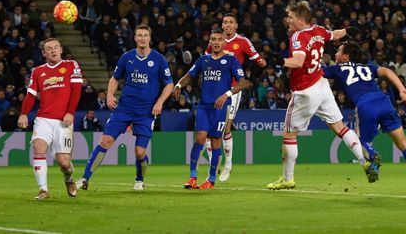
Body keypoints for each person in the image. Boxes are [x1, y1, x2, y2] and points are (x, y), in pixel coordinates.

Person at [267, 1, 366, 190]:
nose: (288, 20)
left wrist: (280, 60)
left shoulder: (298, 36)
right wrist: (350, 30)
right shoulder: (318, 30)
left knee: (289, 134)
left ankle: (288, 179)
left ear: (301, 19)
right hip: (321, 85)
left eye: (291, 17)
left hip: (305, 90)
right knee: (340, 127)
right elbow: (334, 34)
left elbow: (297, 62)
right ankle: (365, 160)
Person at [323, 42, 406, 193]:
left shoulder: (336, 69)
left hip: (365, 105)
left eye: (338, 51)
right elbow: (386, 71)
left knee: (360, 142)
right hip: (384, 102)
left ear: (346, 56)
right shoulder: (367, 67)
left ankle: (373, 156)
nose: (335, 54)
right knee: (404, 143)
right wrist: (402, 89)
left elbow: (314, 73)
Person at [76, 25, 174, 191]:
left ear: (150, 38)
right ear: (134, 38)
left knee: (139, 152)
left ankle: (139, 179)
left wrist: (160, 103)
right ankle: (85, 178)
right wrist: (109, 94)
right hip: (124, 109)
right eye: (139, 35)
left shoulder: (159, 60)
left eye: (145, 35)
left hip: (146, 112)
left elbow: (169, 84)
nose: (142, 38)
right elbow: (115, 79)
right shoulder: (126, 58)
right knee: (105, 141)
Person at [175, 29, 246, 189]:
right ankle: (192, 177)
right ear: (210, 42)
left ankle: (211, 179)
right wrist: (179, 84)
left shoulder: (231, 60)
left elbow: (242, 83)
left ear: (224, 42)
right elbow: (190, 75)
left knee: (215, 141)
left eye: (219, 39)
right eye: (213, 39)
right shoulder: (203, 60)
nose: (216, 42)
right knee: (200, 137)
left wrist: (226, 95)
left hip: (221, 107)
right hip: (204, 106)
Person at [203, 13, 267, 182]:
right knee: (211, 130)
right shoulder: (216, 41)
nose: (228, 25)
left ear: (236, 26)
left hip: (232, 89)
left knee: (225, 129)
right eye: (225, 22)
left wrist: (260, 63)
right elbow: (206, 60)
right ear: (222, 25)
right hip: (214, 89)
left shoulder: (243, 42)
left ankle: (228, 164)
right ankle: (213, 165)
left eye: (231, 22)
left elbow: (258, 59)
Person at [17, 38, 83, 200]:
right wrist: (24, 113)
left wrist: (70, 112)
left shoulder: (71, 65)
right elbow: (31, 95)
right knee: (39, 147)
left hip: (63, 120)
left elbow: (76, 91)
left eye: (56, 47)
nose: (53, 50)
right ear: (44, 53)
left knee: (64, 163)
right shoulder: (38, 71)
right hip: (43, 119)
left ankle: (68, 179)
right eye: (49, 48)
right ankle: (43, 190)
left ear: (61, 49)